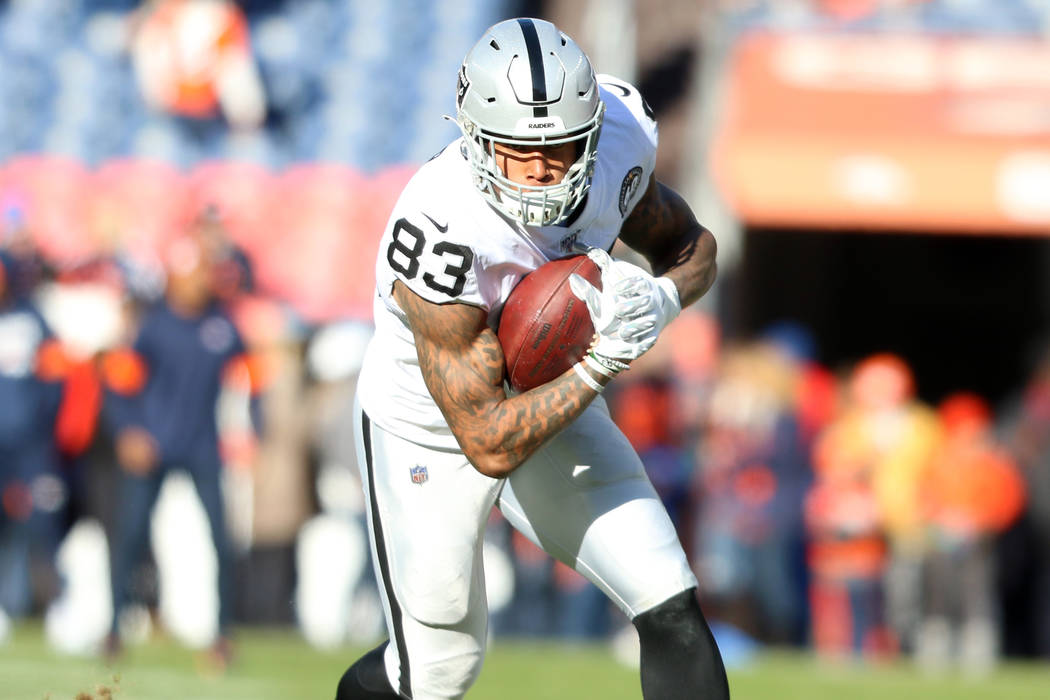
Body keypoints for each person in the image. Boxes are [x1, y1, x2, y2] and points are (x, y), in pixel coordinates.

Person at [336, 18, 726, 700]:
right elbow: (486, 441)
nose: (543, 169)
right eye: (519, 151)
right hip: (428, 429)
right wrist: (600, 362)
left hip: (555, 397)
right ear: (477, 138)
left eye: (564, 147)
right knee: (434, 670)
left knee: (669, 598)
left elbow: (694, 250)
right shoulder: (439, 224)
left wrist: (656, 304)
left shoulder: (617, 153)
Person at [102, 237, 251, 667]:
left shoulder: (223, 326)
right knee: (129, 536)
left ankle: (222, 634)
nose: (205, 280)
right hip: (153, 446)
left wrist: (251, 430)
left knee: (221, 541)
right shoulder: (153, 326)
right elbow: (119, 386)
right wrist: (130, 432)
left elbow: (253, 379)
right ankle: (113, 629)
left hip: (203, 445)